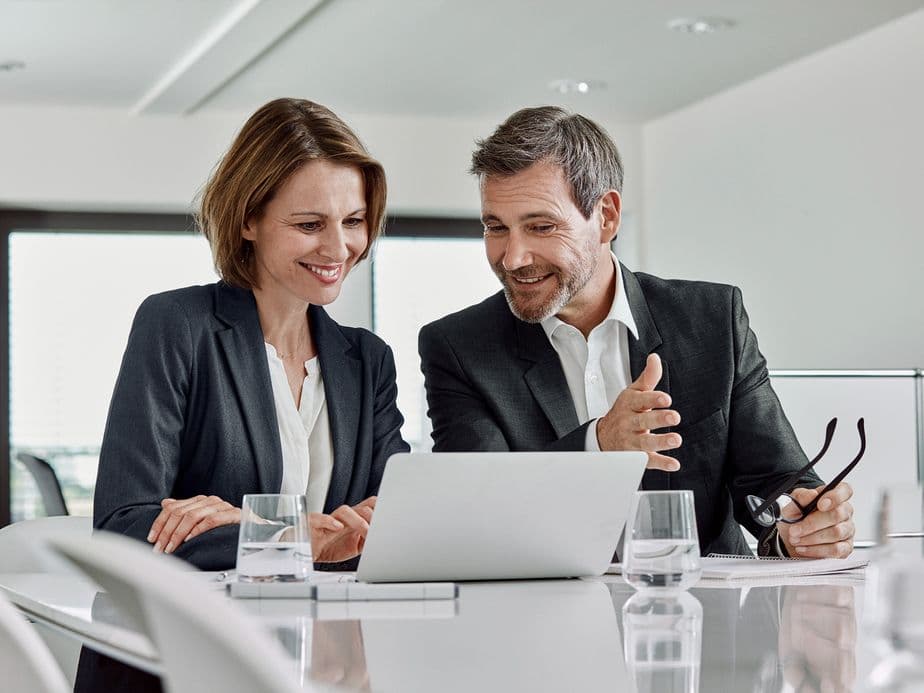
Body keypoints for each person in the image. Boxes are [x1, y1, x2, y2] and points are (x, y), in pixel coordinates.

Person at [418, 106, 854, 558]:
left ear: (606, 216)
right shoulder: (457, 346)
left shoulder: (712, 319)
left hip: (706, 615)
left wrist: (799, 524)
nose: (512, 258)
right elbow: (477, 509)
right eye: (495, 228)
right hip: (545, 617)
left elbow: (776, 480)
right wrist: (599, 444)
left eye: (541, 226)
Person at [93, 97, 409, 572]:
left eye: (353, 221)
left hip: (326, 636)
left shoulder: (367, 360)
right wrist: (285, 535)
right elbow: (123, 526)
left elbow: (398, 519)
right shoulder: (178, 325)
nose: (338, 247)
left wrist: (248, 522)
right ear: (248, 220)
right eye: (309, 224)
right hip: (195, 636)